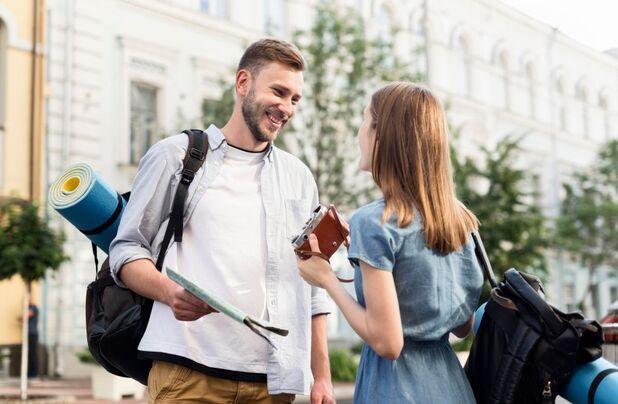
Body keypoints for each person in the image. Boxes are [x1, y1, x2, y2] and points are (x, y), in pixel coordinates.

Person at [110, 39, 335, 404]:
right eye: (278, 92)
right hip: (186, 374)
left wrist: (321, 376)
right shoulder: (176, 157)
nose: (286, 108)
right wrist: (169, 293)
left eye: (295, 99)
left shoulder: (299, 178)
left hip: (272, 383)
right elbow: (126, 249)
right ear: (243, 83)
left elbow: (313, 281)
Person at [297, 82, 483, 403]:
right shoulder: (460, 221)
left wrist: (326, 278)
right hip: (452, 387)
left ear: (382, 135)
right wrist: (364, 248)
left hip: (396, 390)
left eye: (363, 119)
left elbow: (388, 344)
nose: (358, 132)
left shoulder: (374, 221)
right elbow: (461, 327)